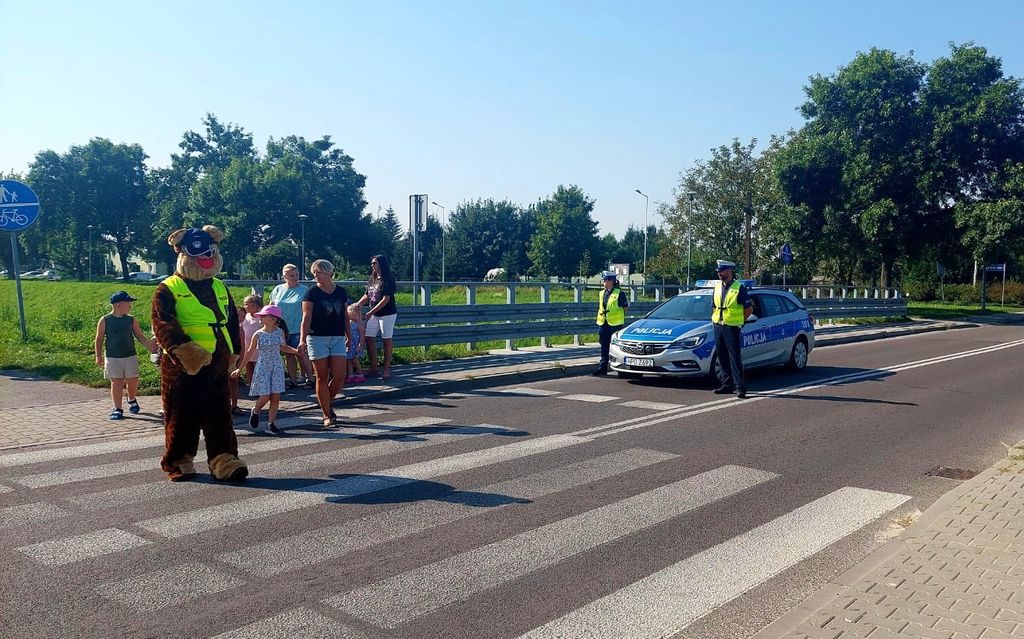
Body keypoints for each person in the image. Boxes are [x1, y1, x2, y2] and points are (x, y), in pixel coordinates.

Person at [299, 259, 351, 428]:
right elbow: (306, 317)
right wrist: (302, 339)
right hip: (317, 337)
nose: (316, 276)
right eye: (314, 273)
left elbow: (345, 316)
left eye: (319, 272)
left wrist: (350, 336)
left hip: (337, 337)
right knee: (321, 376)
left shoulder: (341, 292)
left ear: (329, 272)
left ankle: (326, 402)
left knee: (340, 375)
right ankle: (326, 414)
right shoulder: (311, 293)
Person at [231, 305, 297, 436]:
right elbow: (249, 352)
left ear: (273, 319)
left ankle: (271, 424)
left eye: (263, 315)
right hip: (263, 367)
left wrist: (296, 351)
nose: (260, 317)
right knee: (265, 396)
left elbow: (283, 347)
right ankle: (255, 410)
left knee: (275, 396)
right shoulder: (258, 334)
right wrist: (240, 369)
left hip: (276, 366)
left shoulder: (279, 332)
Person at [94, 290, 158, 420]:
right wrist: (98, 356)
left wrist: (149, 346)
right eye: (128, 304)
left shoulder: (131, 319)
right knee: (116, 381)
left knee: (133, 379)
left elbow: (139, 335)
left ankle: (132, 399)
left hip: (130, 355)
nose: (130, 306)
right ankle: (117, 408)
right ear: (118, 305)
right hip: (113, 356)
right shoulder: (105, 320)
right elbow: (99, 338)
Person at [710, 259, 753, 398]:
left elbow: (749, 309)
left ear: (729, 271)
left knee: (734, 357)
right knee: (722, 356)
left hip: (731, 327)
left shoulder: (739, 288)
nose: (719, 274)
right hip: (718, 326)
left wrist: (740, 321)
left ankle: (740, 387)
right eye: (718, 271)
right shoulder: (717, 287)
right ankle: (726, 385)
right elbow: (714, 306)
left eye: (721, 271)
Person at [269, 264, 313, 388]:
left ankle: (310, 378)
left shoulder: (304, 290)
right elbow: (271, 306)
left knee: (302, 354)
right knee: (289, 354)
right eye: (292, 275)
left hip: (298, 326)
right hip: (282, 328)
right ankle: (292, 379)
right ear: (285, 276)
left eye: (297, 275)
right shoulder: (278, 289)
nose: (295, 277)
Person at [356, 254, 398, 379]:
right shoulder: (372, 278)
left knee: (386, 340)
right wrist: (356, 305)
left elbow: (386, 299)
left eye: (375, 263)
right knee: (369, 338)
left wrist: (370, 312)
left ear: (381, 264)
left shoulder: (388, 278)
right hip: (374, 314)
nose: (372, 265)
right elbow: (367, 295)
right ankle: (374, 367)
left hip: (387, 314)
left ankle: (386, 369)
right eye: (372, 263)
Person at [593, 271, 629, 376]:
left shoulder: (619, 293)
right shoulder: (601, 293)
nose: (604, 282)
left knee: (616, 347)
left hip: (615, 324)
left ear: (611, 281)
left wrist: (616, 314)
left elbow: (625, 308)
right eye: (604, 280)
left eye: (605, 280)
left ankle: (620, 368)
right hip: (603, 323)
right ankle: (602, 368)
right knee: (604, 346)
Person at [345, 304, 367, 383]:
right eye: (350, 315)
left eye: (353, 315)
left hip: (357, 344)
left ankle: (360, 375)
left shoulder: (360, 323)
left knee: (355, 360)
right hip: (351, 344)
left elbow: (362, 335)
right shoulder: (349, 322)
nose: (352, 317)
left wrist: (360, 345)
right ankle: (351, 375)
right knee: (349, 360)